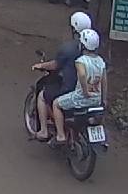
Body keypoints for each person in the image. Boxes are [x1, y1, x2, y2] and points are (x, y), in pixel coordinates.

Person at [32, 11, 92, 142]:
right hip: (91, 91)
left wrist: (41, 66)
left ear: (74, 29)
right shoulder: (93, 49)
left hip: (71, 89)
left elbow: (55, 65)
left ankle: (44, 131)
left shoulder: (69, 48)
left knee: (43, 96)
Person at [52, 29, 106, 143]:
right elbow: (104, 81)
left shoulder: (81, 61)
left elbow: (82, 74)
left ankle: (61, 135)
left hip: (81, 98)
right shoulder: (101, 61)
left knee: (56, 104)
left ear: (82, 45)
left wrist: (85, 92)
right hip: (96, 100)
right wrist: (103, 99)